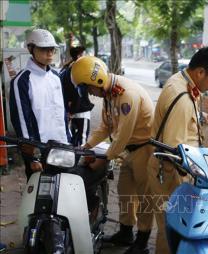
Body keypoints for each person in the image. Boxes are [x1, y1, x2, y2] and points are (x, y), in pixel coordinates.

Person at [147, 46, 208, 254]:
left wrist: (199, 118)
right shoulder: (182, 98)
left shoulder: (181, 80)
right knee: (172, 228)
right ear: (200, 72)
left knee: (172, 226)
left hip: (166, 169)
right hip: (171, 174)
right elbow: (176, 151)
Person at [71, 56, 154, 254]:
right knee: (125, 192)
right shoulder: (109, 94)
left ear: (97, 82)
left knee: (144, 198)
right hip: (127, 150)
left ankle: (142, 242)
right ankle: (126, 233)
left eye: (89, 88)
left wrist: (104, 158)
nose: (90, 93)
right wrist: (85, 146)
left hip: (144, 149)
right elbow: (106, 127)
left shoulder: (127, 95)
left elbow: (123, 134)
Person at [9, 29, 70, 180]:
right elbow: (21, 120)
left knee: (62, 191)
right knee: (39, 196)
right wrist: (32, 158)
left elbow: (61, 113)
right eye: (43, 49)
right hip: (38, 149)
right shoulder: (21, 80)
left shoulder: (56, 76)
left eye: (52, 49)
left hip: (61, 146)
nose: (49, 53)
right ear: (31, 49)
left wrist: (68, 140)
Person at [60, 46, 94, 146]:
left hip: (72, 110)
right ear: (79, 56)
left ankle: (74, 160)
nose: (86, 57)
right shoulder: (77, 70)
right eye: (84, 54)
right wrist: (72, 110)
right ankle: (79, 160)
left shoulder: (67, 68)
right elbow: (78, 92)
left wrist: (69, 110)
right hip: (80, 110)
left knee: (75, 140)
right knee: (82, 141)